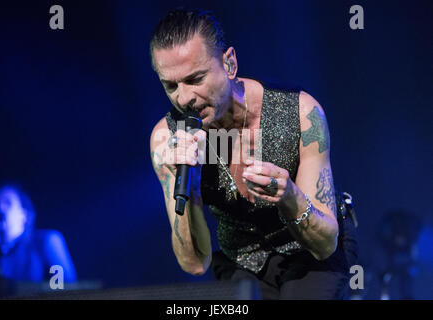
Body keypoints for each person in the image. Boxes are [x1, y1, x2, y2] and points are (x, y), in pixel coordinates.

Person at [149, 9, 357, 299]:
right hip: (241, 261)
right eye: (170, 86)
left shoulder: (301, 112)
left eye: (195, 79)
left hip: (309, 255)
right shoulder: (166, 139)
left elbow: (324, 245)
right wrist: (188, 181)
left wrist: (288, 196)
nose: (184, 99)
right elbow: (194, 264)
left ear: (229, 63)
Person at [0, 183, 77, 298]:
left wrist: (15, 289)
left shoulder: (47, 241)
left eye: (8, 203)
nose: (1, 208)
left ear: (25, 214)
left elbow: (64, 288)